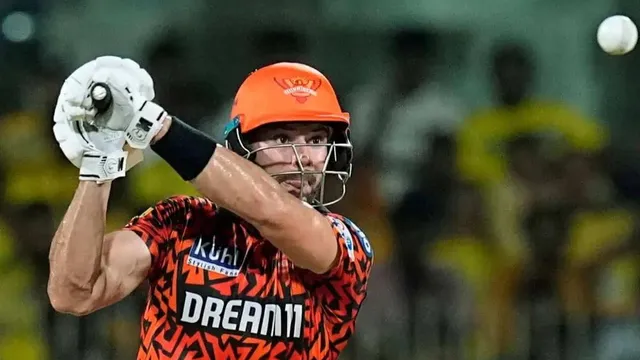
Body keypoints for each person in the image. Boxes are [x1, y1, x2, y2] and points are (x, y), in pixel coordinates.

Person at [48, 56, 373, 359]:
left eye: (316, 140)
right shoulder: (180, 223)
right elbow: (74, 294)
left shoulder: (349, 246)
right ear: (241, 147)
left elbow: (273, 213)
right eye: (280, 138)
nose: (302, 157)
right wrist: (99, 164)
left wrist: (154, 126)